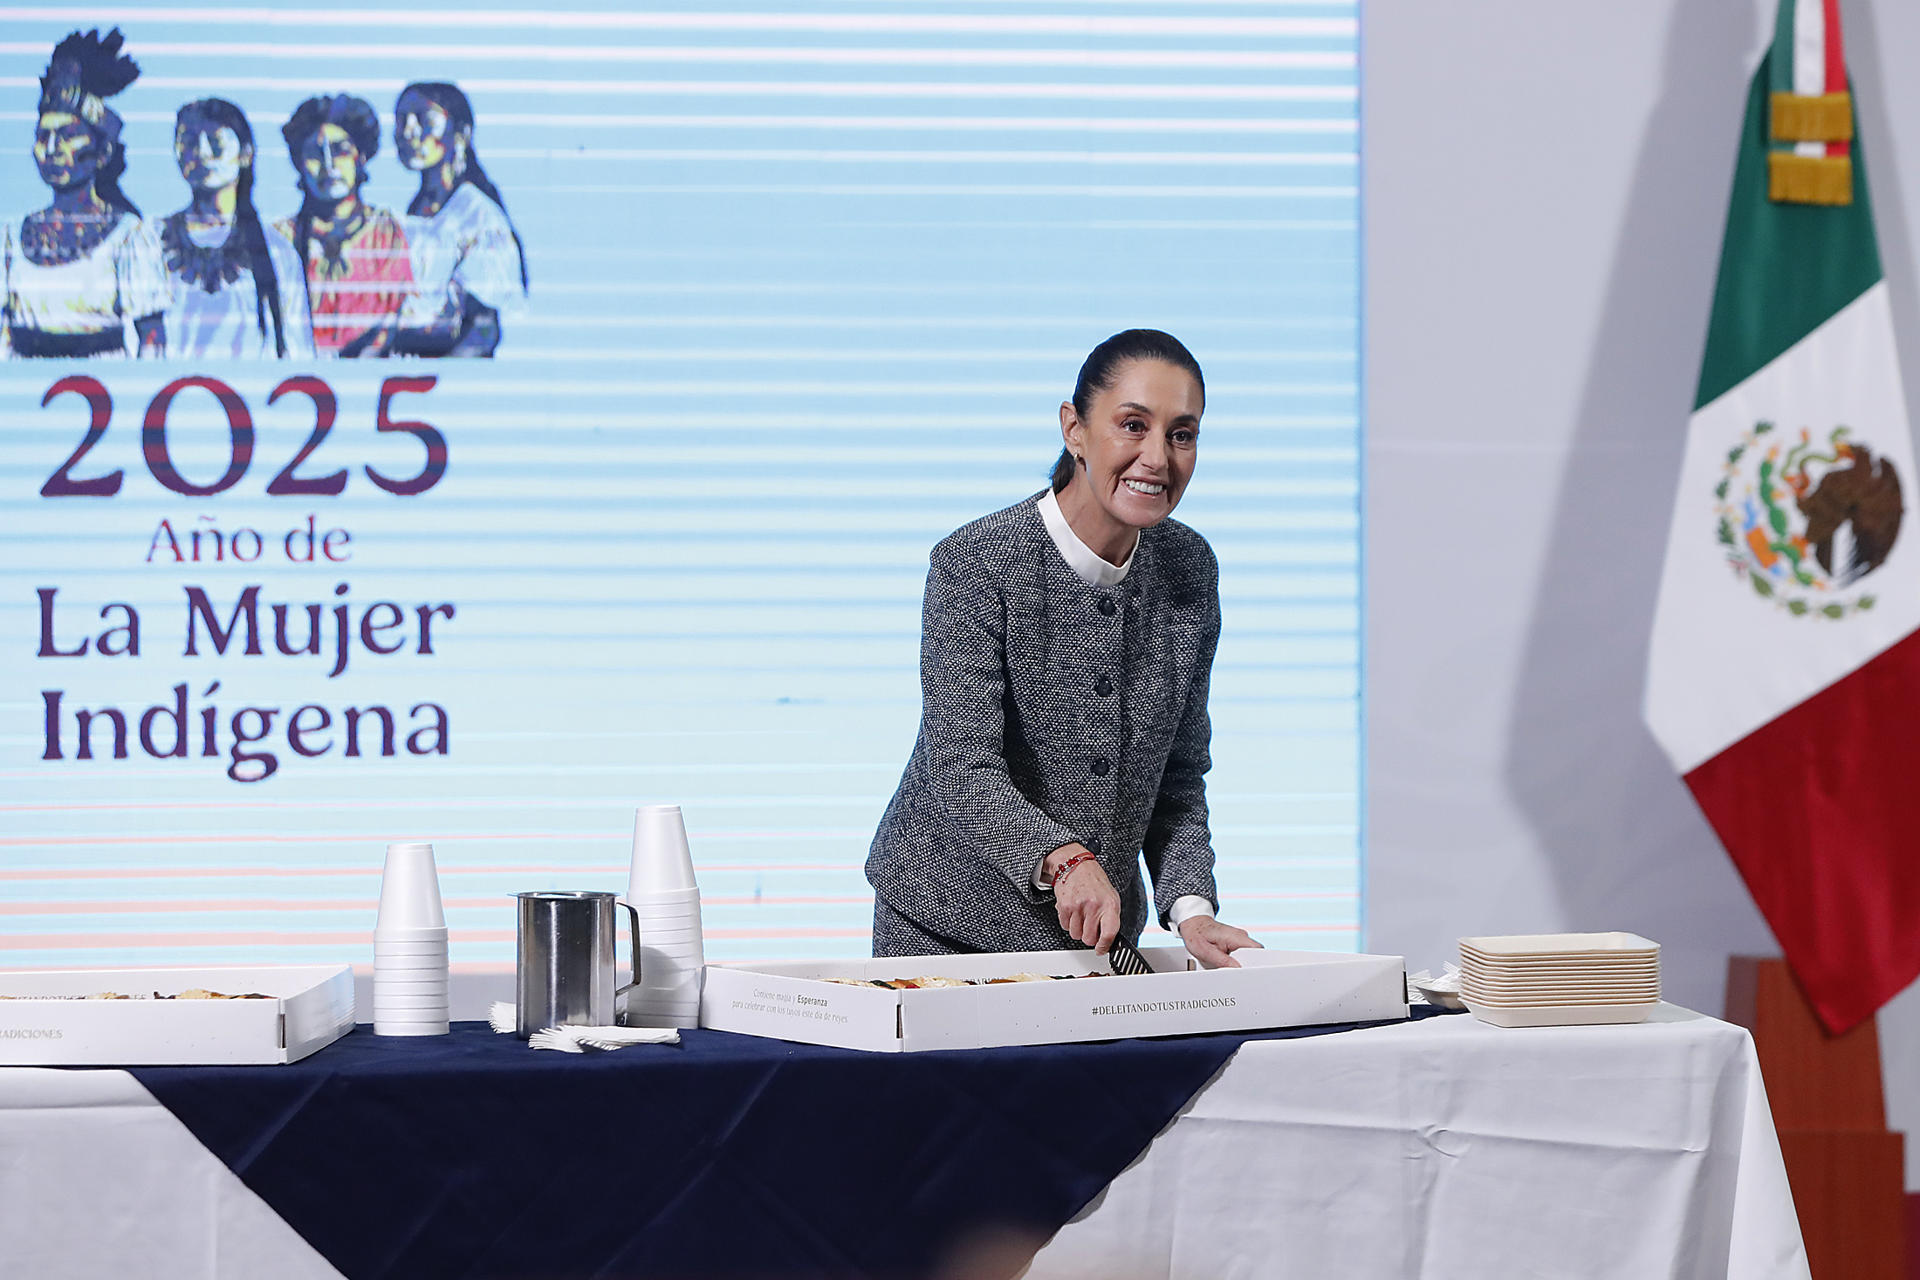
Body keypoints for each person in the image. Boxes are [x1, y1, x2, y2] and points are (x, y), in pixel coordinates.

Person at [866, 329, 1263, 969]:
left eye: (1181, 434)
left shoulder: (1190, 568)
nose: (1157, 458)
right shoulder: (977, 562)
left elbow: (1180, 775)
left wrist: (1193, 911)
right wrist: (1066, 861)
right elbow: (960, 762)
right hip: (946, 924)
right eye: (1133, 425)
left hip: (1094, 938)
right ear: (1073, 428)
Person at [1, 28, 167, 358]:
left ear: (102, 153)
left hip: (102, 395)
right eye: (42, 136)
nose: (51, 149)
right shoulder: (11, 236)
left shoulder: (130, 236)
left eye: (67, 135)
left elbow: (151, 338)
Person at [160, 99, 315, 360]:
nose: (202, 153)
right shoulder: (150, 241)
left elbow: (298, 352)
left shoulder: (278, 252)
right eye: (188, 143)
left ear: (245, 153)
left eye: (216, 142)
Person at [391, 82, 527, 357]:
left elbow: (484, 330)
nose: (408, 132)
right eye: (401, 120)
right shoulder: (417, 211)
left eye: (424, 120)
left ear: (461, 132)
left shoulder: (476, 215)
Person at [276, 94, 417, 358]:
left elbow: (397, 321)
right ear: (299, 163)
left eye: (340, 151)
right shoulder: (280, 239)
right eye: (315, 154)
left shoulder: (386, 232)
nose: (329, 166)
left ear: (360, 157)